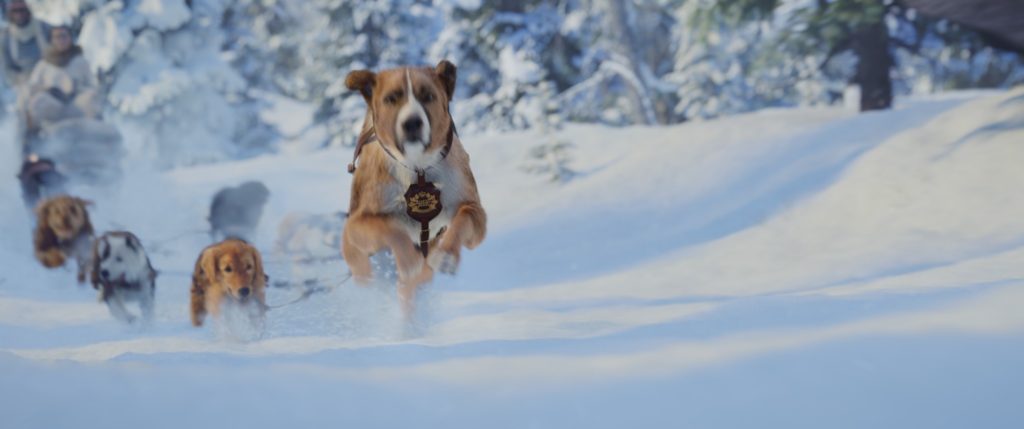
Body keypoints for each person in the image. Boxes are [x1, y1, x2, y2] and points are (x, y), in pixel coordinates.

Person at [25, 25, 101, 130]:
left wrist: (79, 92)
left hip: (76, 105)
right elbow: (33, 86)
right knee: (37, 102)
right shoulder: (44, 64)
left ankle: (98, 136)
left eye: (64, 36)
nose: (61, 40)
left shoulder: (80, 61)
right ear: (52, 40)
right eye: (57, 37)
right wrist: (48, 91)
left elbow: (92, 86)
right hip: (52, 105)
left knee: (91, 99)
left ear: (70, 38)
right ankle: (33, 140)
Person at [0, 0, 48, 88]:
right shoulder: (6, 37)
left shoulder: (44, 28)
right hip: (24, 83)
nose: (19, 14)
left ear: (28, 11)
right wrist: (22, 81)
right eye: (15, 10)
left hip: (48, 76)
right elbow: (7, 68)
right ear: (10, 14)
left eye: (22, 10)